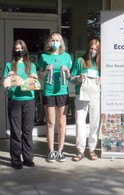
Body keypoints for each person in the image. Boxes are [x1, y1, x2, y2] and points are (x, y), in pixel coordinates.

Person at [3, 40, 38, 169]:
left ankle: (28, 158)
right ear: (14, 50)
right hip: (15, 100)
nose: (19, 51)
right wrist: (8, 77)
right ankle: (16, 159)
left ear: (25, 50)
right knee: (16, 132)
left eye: (21, 48)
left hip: (29, 99)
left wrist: (34, 78)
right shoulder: (9, 65)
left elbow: (35, 84)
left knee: (27, 131)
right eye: (17, 49)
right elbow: (5, 84)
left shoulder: (31, 65)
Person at [38, 32, 72, 163]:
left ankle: (60, 151)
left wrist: (67, 71)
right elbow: (40, 75)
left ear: (61, 42)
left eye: (57, 40)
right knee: (51, 122)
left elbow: (69, 76)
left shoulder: (66, 56)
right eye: (52, 40)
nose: (55, 42)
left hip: (62, 92)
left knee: (62, 122)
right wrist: (46, 70)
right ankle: (51, 151)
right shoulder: (44, 56)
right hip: (49, 92)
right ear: (49, 42)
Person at [68, 39, 101, 161]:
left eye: (95, 49)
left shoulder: (99, 63)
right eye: (91, 48)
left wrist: (101, 80)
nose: (93, 51)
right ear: (88, 48)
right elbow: (71, 78)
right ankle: (80, 150)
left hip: (95, 96)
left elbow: (105, 79)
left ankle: (92, 149)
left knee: (94, 123)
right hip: (81, 95)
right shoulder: (80, 61)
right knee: (80, 123)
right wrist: (79, 78)